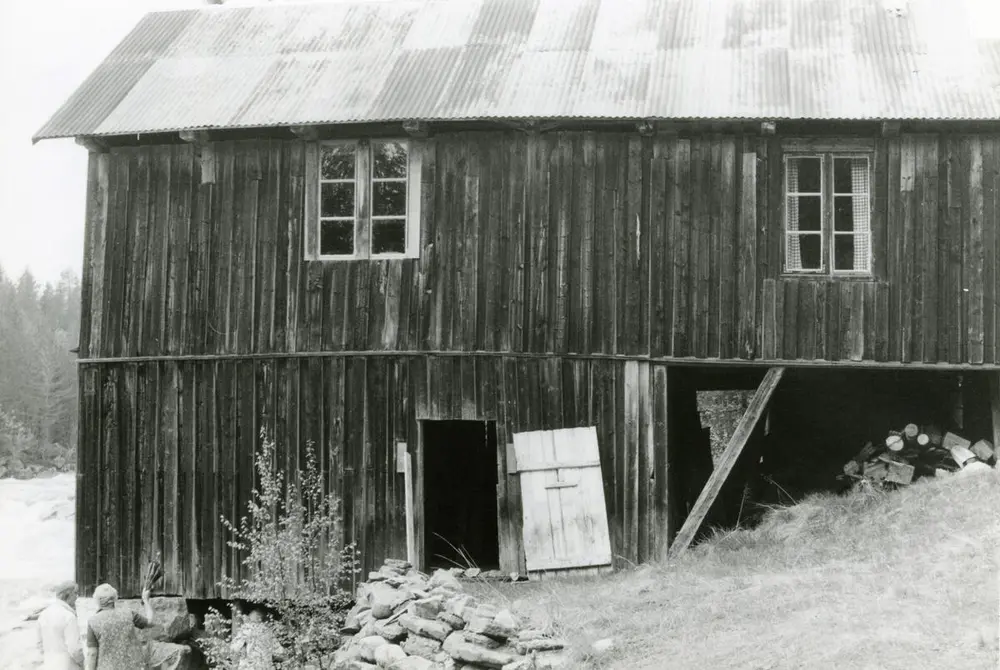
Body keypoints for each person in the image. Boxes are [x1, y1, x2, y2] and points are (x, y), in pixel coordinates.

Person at [84, 584, 154, 670]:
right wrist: (146, 600)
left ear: (97, 600)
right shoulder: (129, 614)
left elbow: (92, 653)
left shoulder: (93, 621)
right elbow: (150, 622)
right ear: (114, 598)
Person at [37, 581, 84, 670]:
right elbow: (74, 648)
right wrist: (83, 663)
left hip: (49, 663)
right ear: (67, 594)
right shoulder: (69, 616)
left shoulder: (43, 614)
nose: (77, 597)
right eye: (75, 593)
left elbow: (39, 643)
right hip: (68, 665)